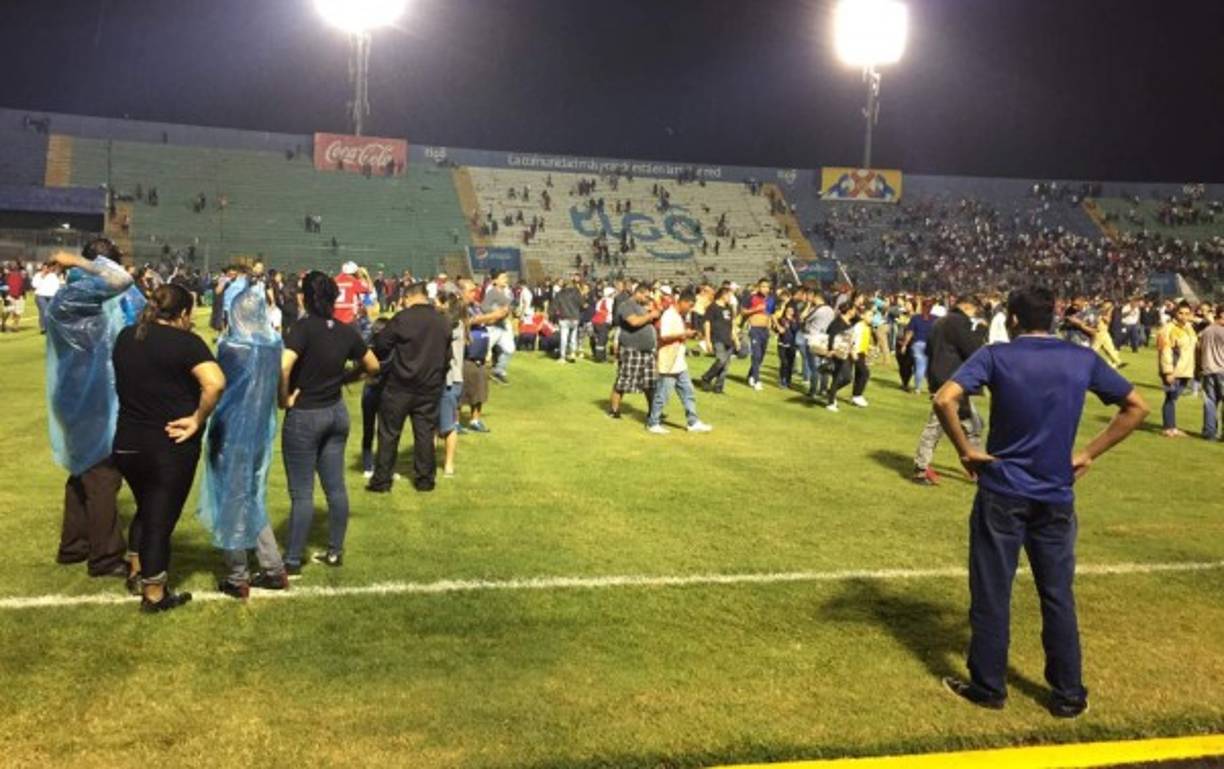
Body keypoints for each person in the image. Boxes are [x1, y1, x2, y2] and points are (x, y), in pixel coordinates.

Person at [933, 286, 1148, 718]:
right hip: (1055, 494)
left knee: (993, 589)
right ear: (1052, 318)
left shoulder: (997, 355)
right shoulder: (1081, 357)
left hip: (1003, 490)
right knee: (1056, 593)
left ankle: (989, 687)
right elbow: (1136, 406)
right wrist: (1087, 452)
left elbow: (944, 397)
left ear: (1012, 319)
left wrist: (964, 450)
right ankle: (1069, 694)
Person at [113, 284, 226, 612]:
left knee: (146, 509)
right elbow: (215, 382)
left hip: (127, 442)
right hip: (168, 444)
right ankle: (154, 594)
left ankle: (136, 569)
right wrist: (197, 418)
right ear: (184, 313)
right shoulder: (186, 343)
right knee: (160, 520)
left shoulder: (126, 336)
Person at [45, 242, 143, 581]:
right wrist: (79, 261)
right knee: (103, 473)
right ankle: (104, 557)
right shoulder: (80, 296)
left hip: (73, 393)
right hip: (93, 396)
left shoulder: (70, 296)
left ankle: (74, 545)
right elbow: (120, 280)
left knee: (81, 470)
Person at [280, 272, 380, 572]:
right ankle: (335, 551)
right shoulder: (345, 330)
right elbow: (373, 365)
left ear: (304, 297)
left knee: (302, 492)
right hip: (335, 412)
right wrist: (345, 378)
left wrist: (283, 399)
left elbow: (283, 367)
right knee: (335, 488)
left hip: (306, 414)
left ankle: (293, 559)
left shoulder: (301, 328)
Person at [199, 285, 289, 599]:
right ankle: (273, 567)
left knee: (232, 500)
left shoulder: (231, 346)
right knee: (251, 497)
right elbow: (280, 389)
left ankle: (238, 575)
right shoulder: (274, 343)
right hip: (259, 432)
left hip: (232, 430)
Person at [368, 281, 451, 492]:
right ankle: (425, 479)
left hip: (400, 385)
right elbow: (447, 355)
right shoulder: (442, 321)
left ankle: (382, 480)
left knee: (389, 433)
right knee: (424, 434)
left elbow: (381, 345)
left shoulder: (402, 319)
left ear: (408, 297)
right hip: (430, 386)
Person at [912, 295, 983, 485]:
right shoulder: (960, 323)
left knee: (971, 425)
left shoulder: (939, 322)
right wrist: (980, 331)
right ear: (968, 307)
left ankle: (979, 468)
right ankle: (920, 468)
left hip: (939, 378)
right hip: (953, 381)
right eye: (975, 312)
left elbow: (928, 350)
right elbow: (973, 351)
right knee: (942, 426)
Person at [645, 290, 712, 434]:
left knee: (688, 392)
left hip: (679, 361)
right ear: (683, 302)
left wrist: (688, 335)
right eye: (690, 306)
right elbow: (664, 336)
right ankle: (653, 422)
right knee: (662, 394)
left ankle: (692, 422)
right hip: (668, 361)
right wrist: (683, 334)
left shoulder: (678, 316)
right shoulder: (669, 315)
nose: (690, 309)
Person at [458, 277, 506, 433]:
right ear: (461, 292)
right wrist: (492, 315)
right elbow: (468, 322)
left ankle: (475, 420)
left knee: (480, 391)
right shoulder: (459, 307)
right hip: (465, 355)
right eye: (471, 290)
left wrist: (500, 315)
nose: (474, 293)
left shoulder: (476, 306)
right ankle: (455, 422)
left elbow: (485, 321)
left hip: (479, 354)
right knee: (461, 392)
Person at [608, 282, 660, 420]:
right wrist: (651, 315)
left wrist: (652, 315)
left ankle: (653, 412)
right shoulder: (626, 306)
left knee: (650, 382)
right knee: (623, 380)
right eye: (646, 296)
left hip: (647, 350)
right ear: (638, 293)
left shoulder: (641, 307)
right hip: (632, 349)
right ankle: (614, 410)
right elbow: (634, 322)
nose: (647, 299)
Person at [1155, 301, 1198, 438]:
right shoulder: (1168, 329)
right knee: (1170, 398)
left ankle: (1172, 426)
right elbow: (1165, 351)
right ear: (1175, 313)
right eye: (1181, 313)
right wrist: (1168, 371)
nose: (1183, 316)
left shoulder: (1189, 328)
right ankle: (1169, 428)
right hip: (1173, 370)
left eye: (1187, 313)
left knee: (1173, 398)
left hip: (1186, 370)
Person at [436, 288, 466, 477]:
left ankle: (448, 464)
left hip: (449, 380)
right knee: (433, 424)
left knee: (447, 425)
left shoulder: (454, 326)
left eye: (438, 302)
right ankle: (429, 462)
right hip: (445, 379)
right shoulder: (455, 323)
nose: (434, 306)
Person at [699, 287, 736, 393]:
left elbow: (732, 324)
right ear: (723, 295)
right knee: (721, 360)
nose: (730, 298)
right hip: (717, 338)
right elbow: (707, 323)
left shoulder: (729, 308)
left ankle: (718, 387)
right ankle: (706, 378)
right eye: (729, 295)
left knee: (726, 366)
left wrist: (736, 339)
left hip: (728, 339)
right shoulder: (712, 307)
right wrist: (707, 340)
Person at [482, 271, 516, 384]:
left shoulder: (508, 291)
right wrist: (496, 312)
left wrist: (512, 310)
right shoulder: (491, 292)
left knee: (509, 349)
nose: (506, 279)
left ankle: (499, 371)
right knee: (483, 351)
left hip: (504, 324)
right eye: (502, 277)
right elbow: (484, 307)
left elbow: (510, 305)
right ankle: (476, 374)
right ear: (495, 281)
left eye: (506, 277)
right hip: (493, 325)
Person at [741, 278, 772, 391]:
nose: (765, 289)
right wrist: (755, 310)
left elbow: (770, 314)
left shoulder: (770, 299)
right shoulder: (751, 298)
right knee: (756, 354)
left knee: (761, 356)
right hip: (754, 328)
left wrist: (770, 325)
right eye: (763, 286)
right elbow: (743, 311)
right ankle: (757, 380)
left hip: (765, 330)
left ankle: (751, 374)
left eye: (767, 287)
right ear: (758, 287)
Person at [900, 301, 935, 394]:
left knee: (919, 367)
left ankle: (918, 388)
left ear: (922, 307)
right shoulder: (935, 319)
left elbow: (909, 333)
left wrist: (904, 345)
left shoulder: (916, 318)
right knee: (928, 368)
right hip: (930, 345)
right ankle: (931, 387)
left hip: (918, 344)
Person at [1200, 305, 1224, 441]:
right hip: (1221, 369)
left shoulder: (1207, 330)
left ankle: (1209, 432)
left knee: (1210, 402)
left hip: (1208, 369)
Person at [553, 277, 583, 363]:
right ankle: (572, 353)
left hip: (564, 317)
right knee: (573, 337)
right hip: (575, 317)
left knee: (564, 337)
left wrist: (554, 314)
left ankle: (562, 357)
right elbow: (582, 304)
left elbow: (555, 306)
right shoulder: (577, 293)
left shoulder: (560, 294)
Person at [333, 261, 369, 326]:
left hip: (335, 314)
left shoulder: (334, 280)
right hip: (348, 315)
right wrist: (366, 276)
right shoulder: (352, 281)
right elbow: (367, 289)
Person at [32, 261, 62, 334]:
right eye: (44, 268)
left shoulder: (53, 276)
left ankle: (51, 327)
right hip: (41, 295)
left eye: (47, 268)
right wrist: (42, 276)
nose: (46, 269)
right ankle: (43, 328)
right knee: (44, 311)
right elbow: (34, 285)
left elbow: (56, 286)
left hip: (51, 296)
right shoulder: (38, 275)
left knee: (51, 312)